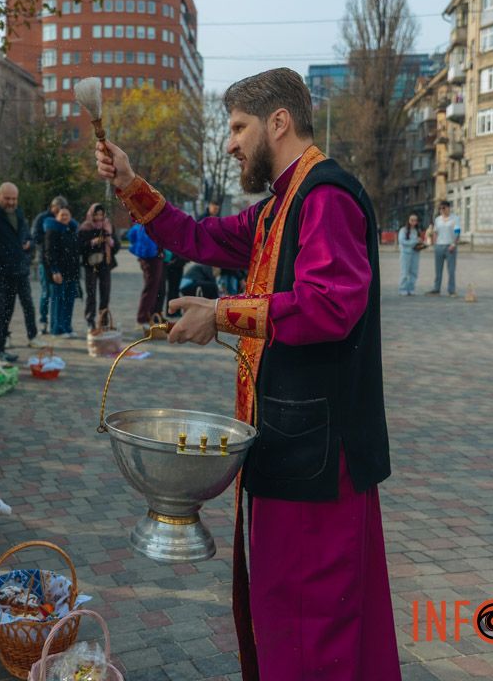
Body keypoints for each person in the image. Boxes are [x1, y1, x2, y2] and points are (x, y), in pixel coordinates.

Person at [96, 68, 397, 681]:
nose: (231, 144)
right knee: (284, 609)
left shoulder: (325, 196)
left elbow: (331, 305)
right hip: (289, 442)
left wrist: (222, 314)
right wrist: (130, 183)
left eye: (238, 128)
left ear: (278, 123)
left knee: (314, 620)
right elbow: (198, 236)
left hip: (321, 450)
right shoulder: (276, 208)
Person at [0, 182, 38, 362]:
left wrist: (28, 245)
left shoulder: (18, 212)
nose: (11, 202)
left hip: (16, 270)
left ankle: (1, 348)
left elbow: (25, 234)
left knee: (8, 311)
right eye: (7, 198)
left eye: (14, 199)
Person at [78, 202, 117, 332]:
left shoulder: (108, 226)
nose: (99, 217)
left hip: (105, 263)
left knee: (105, 292)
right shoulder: (85, 227)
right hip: (91, 265)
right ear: (91, 214)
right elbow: (80, 247)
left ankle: (103, 321)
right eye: (96, 214)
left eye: (101, 214)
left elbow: (116, 247)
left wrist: (111, 241)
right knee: (91, 293)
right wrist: (91, 243)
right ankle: (90, 320)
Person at [43, 204, 80, 337]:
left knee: (69, 300)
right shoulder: (52, 230)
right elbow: (49, 252)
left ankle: (67, 327)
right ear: (56, 216)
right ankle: (56, 328)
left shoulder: (72, 230)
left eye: (67, 215)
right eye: (62, 214)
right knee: (58, 300)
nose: (64, 217)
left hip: (71, 271)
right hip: (58, 272)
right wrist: (54, 270)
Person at [32, 196, 68, 334]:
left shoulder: (63, 218)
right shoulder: (42, 218)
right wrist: (49, 239)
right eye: (58, 209)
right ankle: (43, 321)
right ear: (53, 207)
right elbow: (35, 236)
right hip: (44, 260)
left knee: (57, 294)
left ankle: (56, 322)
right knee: (46, 292)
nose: (59, 212)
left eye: (63, 209)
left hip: (59, 261)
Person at [126, 220, 163, 329]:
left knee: (153, 286)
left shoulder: (140, 224)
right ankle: (143, 317)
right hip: (151, 258)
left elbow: (131, 236)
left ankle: (149, 315)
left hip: (147, 257)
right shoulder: (148, 224)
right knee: (151, 286)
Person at [427, 200, 460, 296]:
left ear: (448, 208)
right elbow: (436, 232)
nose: (442, 210)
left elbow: (457, 233)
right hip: (439, 246)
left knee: (451, 270)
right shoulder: (438, 219)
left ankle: (451, 290)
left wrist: (454, 244)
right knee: (438, 270)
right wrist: (433, 243)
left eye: (444, 208)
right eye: (440, 208)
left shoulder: (455, 218)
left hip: (450, 246)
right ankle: (436, 289)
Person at [397, 212, 424, 295]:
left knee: (414, 272)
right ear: (408, 221)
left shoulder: (417, 230)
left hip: (415, 253)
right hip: (405, 254)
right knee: (404, 272)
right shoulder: (403, 230)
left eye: (415, 220)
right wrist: (415, 241)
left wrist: (422, 244)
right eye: (412, 220)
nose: (413, 222)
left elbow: (417, 242)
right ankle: (403, 289)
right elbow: (402, 242)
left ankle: (411, 288)